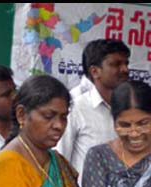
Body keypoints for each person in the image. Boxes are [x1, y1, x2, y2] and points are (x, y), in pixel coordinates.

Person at [56, 38, 130, 179]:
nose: (125, 69)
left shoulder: (130, 108)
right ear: (95, 71)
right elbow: (60, 160)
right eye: (116, 64)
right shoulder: (76, 108)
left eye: (126, 63)